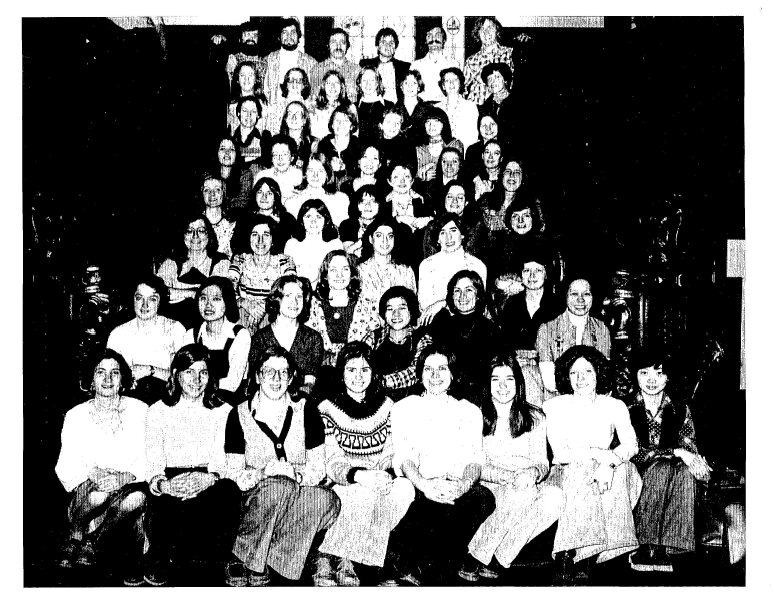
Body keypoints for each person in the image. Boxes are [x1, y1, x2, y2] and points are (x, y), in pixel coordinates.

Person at [223, 346, 341, 586]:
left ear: (291, 377)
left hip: (296, 489)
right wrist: (264, 472)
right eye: (269, 372)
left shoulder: (307, 409)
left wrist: (295, 473)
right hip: (257, 498)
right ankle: (242, 553)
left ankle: (270, 559)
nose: (276, 379)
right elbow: (233, 474)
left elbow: (318, 467)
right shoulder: (239, 414)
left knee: (327, 500)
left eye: (283, 372)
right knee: (279, 486)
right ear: (257, 376)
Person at [387, 345, 496, 584]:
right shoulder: (404, 407)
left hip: (454, 487)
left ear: (453, 374)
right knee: (428, 509)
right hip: (419, 484)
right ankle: (431, 562)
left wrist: (463, 485)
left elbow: (474, 459)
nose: (435, 376)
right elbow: (403, 457)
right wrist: (425, 485)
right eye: (428, 369)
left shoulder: (469, 410)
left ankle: (427, 561)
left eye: (442, 369)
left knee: (483, 497)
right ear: (419, 374)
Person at [315, 342, 415, 586]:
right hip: (343, 480)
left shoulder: (388, 406)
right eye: (351, 369)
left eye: (365, 369)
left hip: (378, 476)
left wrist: (381, 474)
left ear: (374, 373)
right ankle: (341, 560)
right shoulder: (327, 408)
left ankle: (349, 556)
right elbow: (332, 460)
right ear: (341, 373)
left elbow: (391, 452)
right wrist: (360, 476)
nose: (358, 376)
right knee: (362, 494)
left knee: (405, 490)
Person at [144, 345, 243, 585]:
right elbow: (152, 459)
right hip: (171, 480)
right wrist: (163, 484)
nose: (196, 380)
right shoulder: (157, 410)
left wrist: (210, 478)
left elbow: (229, 460)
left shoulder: (225, 411)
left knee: (227, 492)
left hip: (209, 479)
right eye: (189, 372)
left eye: (203, 372)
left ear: (211, 377)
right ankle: (164, 557)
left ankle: (214, 560)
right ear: (176, 374)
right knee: (164, 505)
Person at [458, 354, 562, 581]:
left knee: (556, 497)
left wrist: (532, 473)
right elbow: (474, 463)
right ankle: (474, 556)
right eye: (496, 379)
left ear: (519, 383)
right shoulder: (476, 416)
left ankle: (500, 556)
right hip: (491, 484)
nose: (503, 386)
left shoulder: (535, 417)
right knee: (523, 493)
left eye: (509, 379)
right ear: (488, 383)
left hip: (527, 482)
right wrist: (510, 476)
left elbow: (541, 461)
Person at [543, 346, 642, 583]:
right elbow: (561, 453)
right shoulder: (554, 406)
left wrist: (609, 463)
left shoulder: (614, 405)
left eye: (587, 371)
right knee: (582, 468)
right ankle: (570, 554)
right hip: (566, 470)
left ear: (598, 373)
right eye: (574, 373)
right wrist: (598, 453)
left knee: (626, 469)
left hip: (604, 470)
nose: (581, 379)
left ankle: (594, 552)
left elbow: (631, 445)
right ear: (566, 377)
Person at [55, 350, 149, 585]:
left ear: (124, 380)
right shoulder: (75, 415)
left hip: (127, 491)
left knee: (137, 499)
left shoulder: (142, 410)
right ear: (90, 379)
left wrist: (126, 476)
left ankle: (93, 541)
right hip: (90, 496)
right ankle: (76, 531)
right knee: (99, 495)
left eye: (115, 373)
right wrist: (94, 472)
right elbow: (67, 461)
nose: (108, 380)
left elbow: (152, 455)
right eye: (100, 373)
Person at [625, 349, 711, 572]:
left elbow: (688, 445)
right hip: (636, 472)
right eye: (644, 373)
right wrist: (675, 453)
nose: (651, 380)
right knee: (661, 468)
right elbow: (633, 450)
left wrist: (691, 458)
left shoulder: (679, 407)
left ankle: (672, 546)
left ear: (668, 377)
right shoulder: (625, 407)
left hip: (672, 473)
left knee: (684, 471)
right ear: (635, 375)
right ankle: (646, 544)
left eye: (659, 373)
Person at [107, 276, 187, 406]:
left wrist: (150, 371)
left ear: (160, 301)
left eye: (152, 299)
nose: (145, 305)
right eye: (139, 298)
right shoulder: (118, 333)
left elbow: (185, 376)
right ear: (132, 299)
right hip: (128, 402)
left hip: (167, 400)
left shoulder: (175, 329)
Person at [427, 270, 498, 406]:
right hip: (445, 396)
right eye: (457, 291)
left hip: (480, 400)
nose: (462, 296)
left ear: (478, 295)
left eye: (469, 290)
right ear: (451, 296)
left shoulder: (491, 330)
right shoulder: (441, 327)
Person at [250, 275, 323, 398]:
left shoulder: (313, 338)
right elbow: (256, 381)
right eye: (288, 296)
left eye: (299, 296)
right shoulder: (259, 339)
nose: (294, 302)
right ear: (276, 299)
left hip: (301, 402)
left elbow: (310, 382)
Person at [306, 250, 382, 367]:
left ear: (352, 273)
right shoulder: (313, 306)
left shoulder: (367, 306)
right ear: (325, 275)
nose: (339, 275)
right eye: (333, 270)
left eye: (345, 269)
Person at [536, 278, 611, 396]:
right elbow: (549, 381)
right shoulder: (547, 329)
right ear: (565, 296)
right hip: (557, 397)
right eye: (574, 294)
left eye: (586, 294)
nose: (580, 299)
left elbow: (604, 375)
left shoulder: (601, 329)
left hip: (592, 398)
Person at [183, 277, 251, 405]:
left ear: (227, 302)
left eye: (216, 299)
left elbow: (232, 383)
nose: (208, 305)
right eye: (203, 298)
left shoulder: (240, 335)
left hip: (228, 402)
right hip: (195, 399)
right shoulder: (190, 335)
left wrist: (197, 384)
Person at [156, 214, 230, 330]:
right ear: (183, 235)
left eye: (201, 231)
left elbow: (213, 295)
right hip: (171, 326)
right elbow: (157, 292)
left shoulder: (220, 261)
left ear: (208, 235)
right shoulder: (171, 262)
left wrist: (176, 292)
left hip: (206, 326)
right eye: (189, 231)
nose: (195, 236)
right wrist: (192, 293)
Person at [228, 215, 297, 335]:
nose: (260, 241)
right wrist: (246, 304)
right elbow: (227, 288)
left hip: (274, 314)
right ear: (248, 238)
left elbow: (291, 290)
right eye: (255, 234)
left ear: (273, 239)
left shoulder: (285, 261)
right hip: (245, 314)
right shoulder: (240, 260)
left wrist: (264, 306)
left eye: (266, 235)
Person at [417, 213, 487, 323]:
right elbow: (425, 304)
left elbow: (478, 302)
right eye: (442, 232)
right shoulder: (426, 265)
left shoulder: (477, 265)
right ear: (438, 239)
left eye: (453, 230)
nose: (448, 237)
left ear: (462, 235)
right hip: (437, 323)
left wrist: (443, 303)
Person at [366, 286, 431, 402]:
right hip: (376, 401)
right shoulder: (374, 338)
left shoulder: (422, 338)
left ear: (411, 311)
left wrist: (381, 382)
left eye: (402, 308)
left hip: (412, 402)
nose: (396, 314)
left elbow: (417, 372)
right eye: (390, 309)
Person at [284, 199, 344, 288]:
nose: (313, 221)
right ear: (301, 220)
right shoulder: (292, 244)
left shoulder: (335, 244)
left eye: (318, 217)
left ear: (326, 220)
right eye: (308, 217)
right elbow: (288, 276)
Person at [422, 179, 486, 260]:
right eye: (450, 197)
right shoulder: (433, 226)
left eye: (459, 197)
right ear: (444, 199)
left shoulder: (475, 226)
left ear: (466, 202)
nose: (454, 201)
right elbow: (430, 259)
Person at [358, 216, 416, 303]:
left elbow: (412, 304)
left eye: (390, 236)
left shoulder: (406, 271)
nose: (385, 241)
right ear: (371, 239)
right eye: (379, 235)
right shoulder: (360, 271)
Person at [261, 17, 317, 107]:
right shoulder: (268, 61)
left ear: (299, 36)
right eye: (285, 32)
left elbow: (314, 93)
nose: (289, 36)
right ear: (279, 36)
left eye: (293, 32)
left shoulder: (311, 63)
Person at [285, 152, 350, 226]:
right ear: (305, 173)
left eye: (320, 171)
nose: (315, 175)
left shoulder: (340, 199)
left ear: (327, 174)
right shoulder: (291, 202)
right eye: (311, 170)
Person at [463, 17, 514, 106]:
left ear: (497, 31)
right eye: (482, 29)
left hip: (502, 107)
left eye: (490, 27)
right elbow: (462, 87)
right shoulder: (471, 60)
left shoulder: (509, 53)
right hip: (477, 106)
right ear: (478, 34)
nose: (486, 32)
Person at [478, 62, 526, 154]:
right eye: (490, 79)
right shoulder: (485, 106)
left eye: (497, 77)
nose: (493, 82)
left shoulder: (519, 103)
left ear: (505, 80)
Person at [246, 176, 298, 254]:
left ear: (275, 196)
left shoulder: (287, 219)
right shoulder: (246, 218)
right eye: (260, 192)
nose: (264, 197)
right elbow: (238, 246)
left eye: (269, 193)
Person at [359, 27, 410, 105]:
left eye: (391, 42)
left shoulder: (405, 67)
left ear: (395, 46)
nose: (388, 46)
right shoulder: (365, 64)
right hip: (373, 107)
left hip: (397, 109)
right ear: (377, 46)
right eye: (384, 42)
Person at [410, 25, 459, 104]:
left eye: (438, 35)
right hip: (423, 107)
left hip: (446, 107)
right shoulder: (416, 65)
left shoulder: (453, 64)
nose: (433, 39)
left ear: (444, 40)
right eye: (429, 36)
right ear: (425, 40)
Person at [316, 103, 362, 187]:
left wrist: (345, 168)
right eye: (337, 120)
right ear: (332, 125)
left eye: (345, 121)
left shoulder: (358, 145)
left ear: (351, 126)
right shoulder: (323, 145)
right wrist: (329, 167)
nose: (341, 124)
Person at [415, 107, 464, 185]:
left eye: (436, 121)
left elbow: (461, 172)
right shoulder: (419, 149)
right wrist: (420, 176)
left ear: (444, 123)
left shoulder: (455, 145)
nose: (431, 125)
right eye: (428, 122)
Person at [309, 29, 360, 103]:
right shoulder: (317, 70)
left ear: (347, 46)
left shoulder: (356, 70)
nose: (338, 46)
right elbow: (313, 98)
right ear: (328, 45)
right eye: (334, 42)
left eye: (342, 42)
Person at [338, 184, 387, 258]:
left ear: (380, 204)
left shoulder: (386, 225)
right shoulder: (347, 224)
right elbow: (348, 252)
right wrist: (366, 237)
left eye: (373, 201)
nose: (368, 205)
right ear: (356, 204)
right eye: (363, 201)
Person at [252, 134, 304, 204]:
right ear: (271, 158)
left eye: (284, 154)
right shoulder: (262, 176)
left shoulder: (299, 176)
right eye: (276, 155)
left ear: (292, 157)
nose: (280, 159)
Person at [437, 67, 479, 151]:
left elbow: (473, 136)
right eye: (447, 80)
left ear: (460, 83)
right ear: (443, 86)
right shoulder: (437, 108)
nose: (451, 83)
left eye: (455, 80)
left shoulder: (470, 107)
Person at [263, 67, 313, 137]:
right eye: (291, 80)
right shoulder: (275, 108)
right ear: (286, 83)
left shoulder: (310, 107)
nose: (294, 83)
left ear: (304, 85)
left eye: (299, 81)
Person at [311, 69, 358, 140]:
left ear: (342, 86)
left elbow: (355, 133)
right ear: (323, 86)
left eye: (336, 83)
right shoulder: (314, 107)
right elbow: (312, 134)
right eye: (329, 83)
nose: (333, 86)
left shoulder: (350, 107)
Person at [211, 135, 254, 212]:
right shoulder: (208, 176)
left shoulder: (245, 175)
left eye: (231, 149)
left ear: (236, 154)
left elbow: (242, 204)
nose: (227, 153)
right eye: (223, 149)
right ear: (217, 153)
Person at [353, 66, 392, 147]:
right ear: (359, 83)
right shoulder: (353, 107)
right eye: (364, 80)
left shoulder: (389, 106)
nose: (368, 84)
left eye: (371, 80)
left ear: (377, 82)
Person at [393, 70, 434, 147]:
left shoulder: (429, 109)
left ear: (419, 87)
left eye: (414, 83)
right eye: (406, 83)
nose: (410, 86)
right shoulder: (394, 109)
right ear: (401, 87)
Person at [419, 145, 465, 213]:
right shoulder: (430, 186)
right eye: (445, 161)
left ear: (460, 164)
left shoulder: (466, 186)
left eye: (454, 161)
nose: (449, 165)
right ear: (440, 163)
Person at [200, 174, 236, 258]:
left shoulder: (232, 226)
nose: (212, 194)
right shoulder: (194, 224)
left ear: (224, 193)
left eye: (217, 190)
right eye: (207, 190)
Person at [227, 62, 268, 136]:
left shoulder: (263, 105)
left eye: (250, 75)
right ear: (237, 79)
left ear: (256, 79)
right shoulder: (231, 106)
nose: (247, 79)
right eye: (243, 75)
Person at [231, 95, 271, 168]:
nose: (248, 115)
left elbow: (266, 162)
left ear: (258, 115)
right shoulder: (230, 137)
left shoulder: (264, 136)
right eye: (245, 111)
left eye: (253, 111)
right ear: (238, 113)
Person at [224, 23, 266, 90]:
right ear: (240, 39)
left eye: (254, 35)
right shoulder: (233, 59)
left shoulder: (264, 61)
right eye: (247, 35)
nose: (251, 38)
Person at [279, 100, 318, 170]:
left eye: (298, 114)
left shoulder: (314, 143)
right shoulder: (276, 143)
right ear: (285, 119)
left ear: (304, 120)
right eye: (290, 114)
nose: (294, 117)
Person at [464, 113, 500, 182]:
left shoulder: (506, 148)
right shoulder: (472, 150)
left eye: (492, 124)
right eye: (484, 126)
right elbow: (469, 173)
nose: (488, 129)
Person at [471, 138, 504, 202]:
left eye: (496, 153)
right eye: (487, 152)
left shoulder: (505, 179)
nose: (490, 157)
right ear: (482, 156)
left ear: (501, 158)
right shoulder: (475, 180)